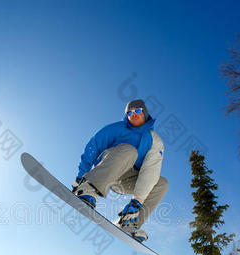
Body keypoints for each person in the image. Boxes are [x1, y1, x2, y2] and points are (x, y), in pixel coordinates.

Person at [72, 99, 168, 242]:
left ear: (145, 113)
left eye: (137, 111)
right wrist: (82, 175)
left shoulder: (155, 141)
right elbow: (94, 145)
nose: (133, 114)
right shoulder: (117, 128)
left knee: (161, 183)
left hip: (126, 181)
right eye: (129, 112)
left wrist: (137, 201)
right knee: (130, 151)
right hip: (107, 169)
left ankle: (130, 222)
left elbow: (151, 170)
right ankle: (89, 188)